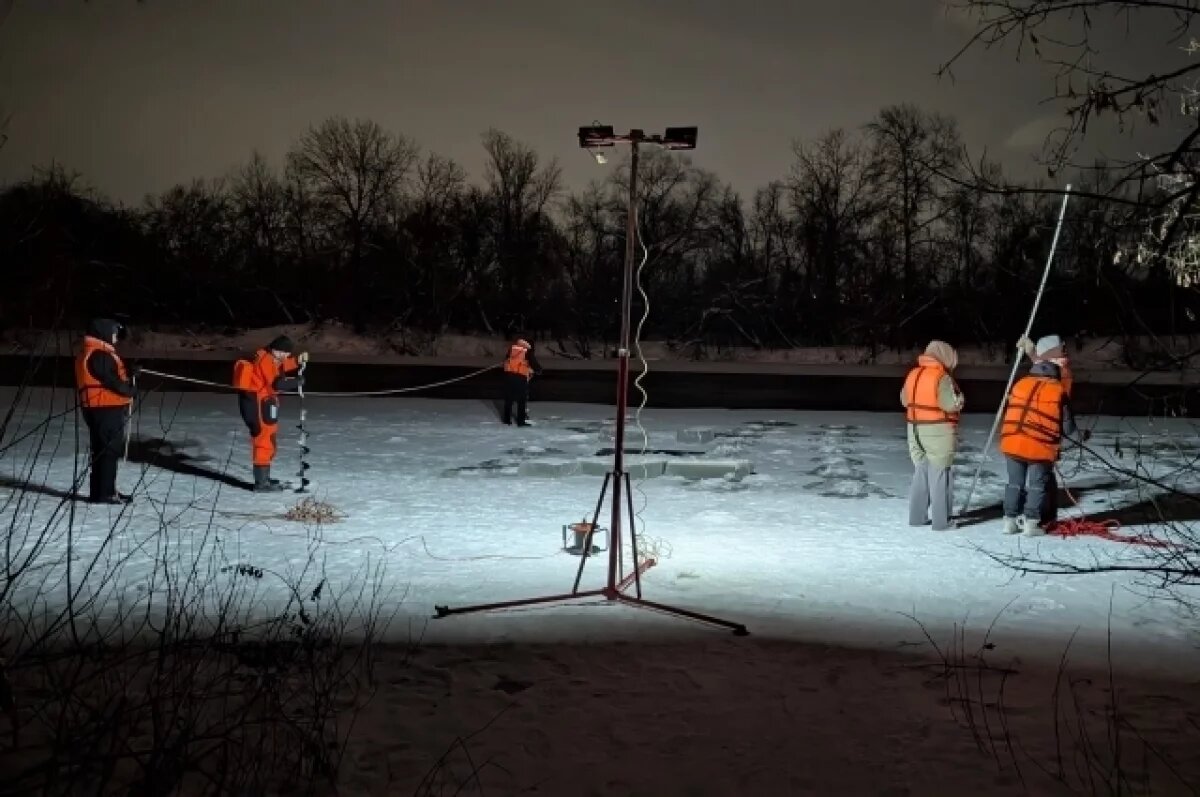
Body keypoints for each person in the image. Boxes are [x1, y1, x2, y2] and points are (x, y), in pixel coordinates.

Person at [998, 359, 1085, 535]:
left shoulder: (1020, 385)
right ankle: (1031, 523)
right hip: (1039, 445)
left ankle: (1009, 521)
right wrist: (1081, 437)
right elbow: (1068, 427)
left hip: (1012, 440)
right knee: (1037, 484)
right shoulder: (1058, 391)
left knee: (1014, 483)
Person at [901, 340, 965, 531]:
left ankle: (917, 517)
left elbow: (904, 400)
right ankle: (941, 522)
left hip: (914, 430)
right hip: (937, 431)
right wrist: (960, 399)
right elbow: (949, 404)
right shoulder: (941, 377)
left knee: (921, 472)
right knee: (940, 475)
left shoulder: (913, 374)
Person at [232, 336, 308, 491]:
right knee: (263, 441)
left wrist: (297, 360)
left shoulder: (270, 357)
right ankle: (261, 484)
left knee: (269, 439)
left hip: (265, 402)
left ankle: (264, 478)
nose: (286, 356)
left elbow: (280, 367)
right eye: (285, 353)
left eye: (288, 354)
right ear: (276, 350)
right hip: (258, 404)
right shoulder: (265, 360)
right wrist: (297, 381)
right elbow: (277, 383)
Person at [75, 318, 137, 504]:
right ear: (103, 333)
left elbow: (109, 377)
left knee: (103, 450)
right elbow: (111, 381)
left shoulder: (96, 352)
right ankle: (104, 493)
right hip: (104, 409)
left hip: (101, 408)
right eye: (113, 333)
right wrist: (129, 389)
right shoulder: (99, 354)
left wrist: (131, 374)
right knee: (108, 451)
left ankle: (104, 490)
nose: (115, 337)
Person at [1017, 333, 1074, 524]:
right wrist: (1032, 352)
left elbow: (1046, 373)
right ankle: (1044, 514)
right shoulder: (1058, 365)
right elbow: (1044, 367)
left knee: (1044, 476)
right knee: (1044, 474)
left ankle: (1045, 516)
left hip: (1048, 430)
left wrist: (1033, 354)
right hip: (1042, 428)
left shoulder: (1061, 373)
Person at [501, 337, 542, 427]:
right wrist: (539, 369)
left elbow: (507, 360)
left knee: (509, 399)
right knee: (521, 400)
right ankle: (520, 421)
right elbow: (533, 362)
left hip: (509, 375)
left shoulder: (513, 348)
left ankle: (506, 420)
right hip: (520, 376)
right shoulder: (527, 350)